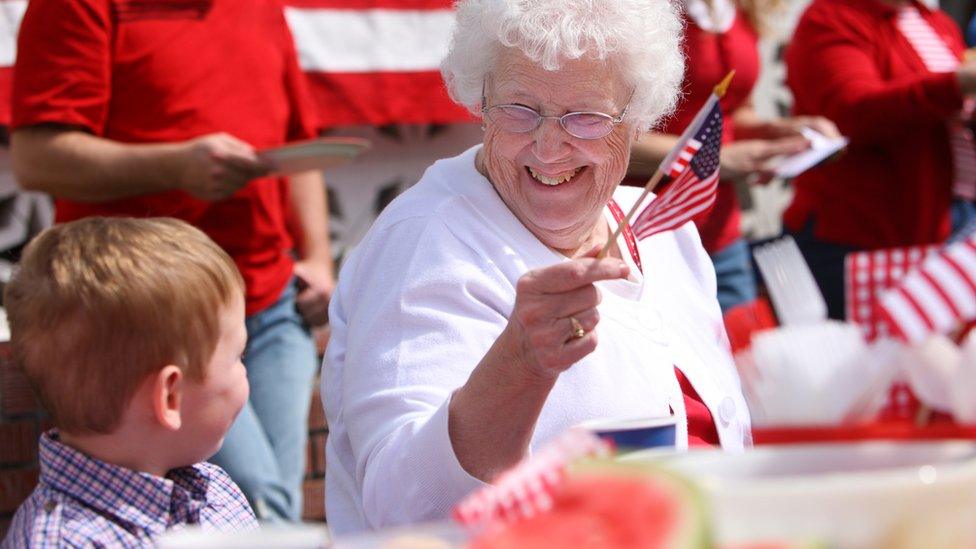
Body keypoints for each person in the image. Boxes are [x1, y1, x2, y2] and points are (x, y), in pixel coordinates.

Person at [323, 0, 752, 534]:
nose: (550, 147)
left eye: (587, 118)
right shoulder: (424, 243)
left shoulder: (667, 236)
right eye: (519, 110)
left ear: (638, 119)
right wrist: (521, 364)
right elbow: (405, 509)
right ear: (480, 99)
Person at [9, 0, 333, 520]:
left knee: (272, 499)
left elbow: (296, 143)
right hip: (153, 317)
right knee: (258, 498)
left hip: (271, 302)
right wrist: (176, 166)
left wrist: (317, 256)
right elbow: (36, 159)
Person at [1, 217, 256, 548]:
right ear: (169, 398)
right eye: (238, 356)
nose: (245, 370)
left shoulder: (212, 488)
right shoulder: (61, 541)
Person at [628, 0, 840, 313]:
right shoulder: (633, 9)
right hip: (645, 236)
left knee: (737, 355)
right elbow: (602, 131)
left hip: (722, 236)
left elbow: (733, 111)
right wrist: (715, 159)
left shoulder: (740, 7)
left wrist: (781, 131)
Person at [785, 0, 976, 318]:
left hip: (946, 219)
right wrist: (959, 84)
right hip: (865, 234)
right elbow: (853, 113)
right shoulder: (832, 18)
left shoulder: (933, 20)